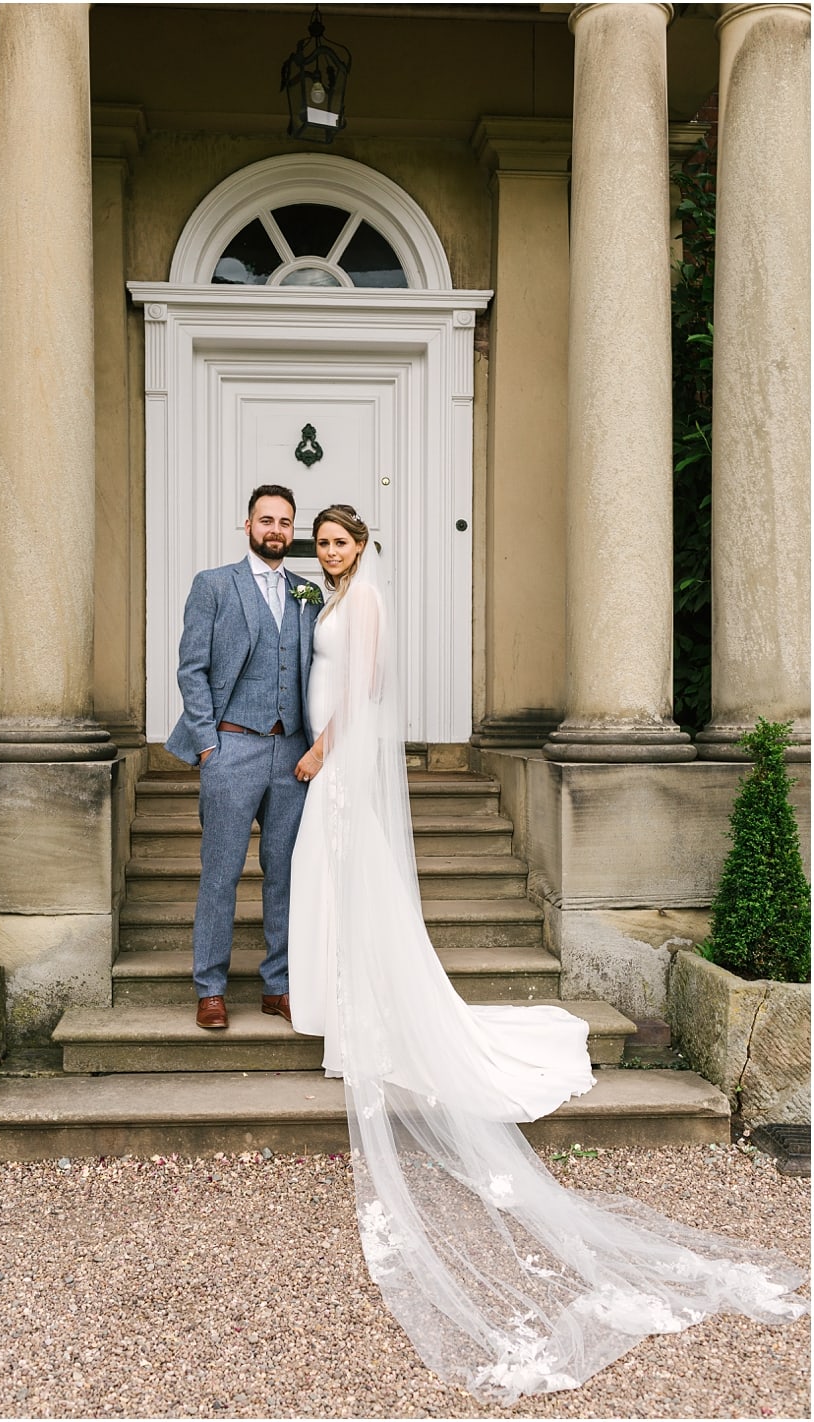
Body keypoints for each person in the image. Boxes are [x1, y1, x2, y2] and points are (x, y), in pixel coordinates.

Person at [287, 504, 808, 1406]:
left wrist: (325, 748)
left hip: (340, 760)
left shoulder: (362, 604)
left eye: (341, 541)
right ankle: (342, 1001)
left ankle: (364, 1008)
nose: (331, 552)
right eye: (323, 542)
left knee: (345, 875)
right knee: (329, 880)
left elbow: (364, 688)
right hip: (326, 761)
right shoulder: (328, 596)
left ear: (365, 546)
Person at [166, 485, 322, 1031]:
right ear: (248, 524)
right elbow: (192, 669)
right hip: (231, 747)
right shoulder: (214, 585)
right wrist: (209, 745)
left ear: (292, 529)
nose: (275, 529)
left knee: (285, 874)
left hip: (293, 755)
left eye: (284, 522)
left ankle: (278, 985)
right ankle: (210, 988)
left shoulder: (309, 593)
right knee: (221, 874)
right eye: (266, 520)